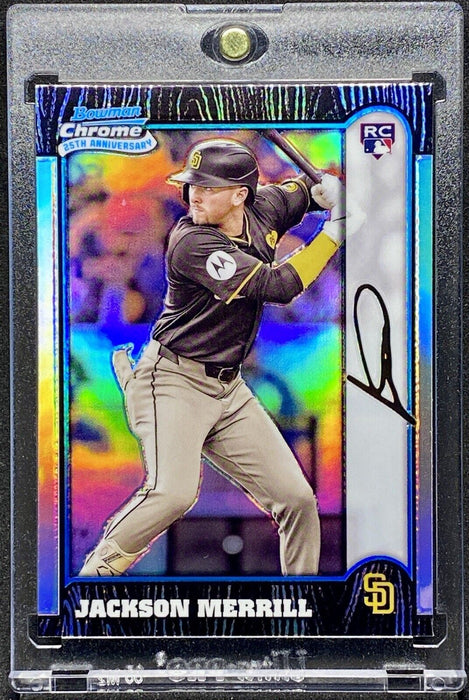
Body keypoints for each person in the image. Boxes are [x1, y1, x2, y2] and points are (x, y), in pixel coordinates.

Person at [80, 138, 363, 577]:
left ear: (240, 195)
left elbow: (302, 191)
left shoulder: (266, 207)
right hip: (172, 381)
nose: (195, 195)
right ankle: (97, 573)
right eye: (193, 185)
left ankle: (302, 598)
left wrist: (328, 190)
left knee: (297, 500)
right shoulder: (191, 241)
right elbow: (278, 286)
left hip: (228, 388)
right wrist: (332, 235)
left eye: (209, 187)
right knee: (174, 493)